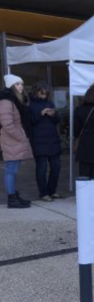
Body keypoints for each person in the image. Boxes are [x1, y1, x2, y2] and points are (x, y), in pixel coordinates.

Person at [0, 74, 33, 208]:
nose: (21, 86)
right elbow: (7, 124)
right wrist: (21, 136)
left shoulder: (15, 101)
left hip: (14, 139)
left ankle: (14, 195)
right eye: (17, 84)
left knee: (13, 169)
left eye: (21, 84)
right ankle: (12, 198)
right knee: (11, 170)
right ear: (11, 86)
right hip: (11, 140)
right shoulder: (6, 101)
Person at [29, 81, 62, 201]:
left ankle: (52, 190)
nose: (44, 95)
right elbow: (30, 122)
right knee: (41, 168)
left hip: (52, 139)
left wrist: (54, 114)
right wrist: (40, 114)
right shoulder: (31, 105)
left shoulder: (49, 102)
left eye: (45, 93)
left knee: (56, 167)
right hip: (38, 140)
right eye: (42, 92)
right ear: (36, 92)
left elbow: (57, 120)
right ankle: (43, 193)